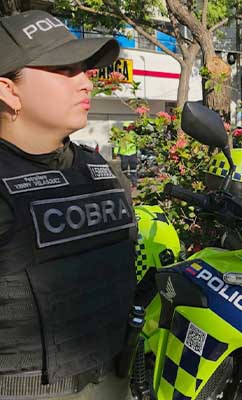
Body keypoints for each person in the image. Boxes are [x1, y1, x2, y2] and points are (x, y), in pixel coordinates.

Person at [0, 10, 135, 399]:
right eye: (64, 69)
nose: (85, 81)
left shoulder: (101, 171)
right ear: (8, 90)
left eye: (84, 69)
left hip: (114, 381)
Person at [113, 122, 139, 187]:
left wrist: (115, 153)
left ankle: (133, 184)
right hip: (125, 154)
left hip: (131, 153)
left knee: (132, 169)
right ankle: (127, 183)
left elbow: (138, 143)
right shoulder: (121, 135)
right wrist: (115, 152)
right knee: (125, 169)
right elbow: (117, 144)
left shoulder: (133, 134)